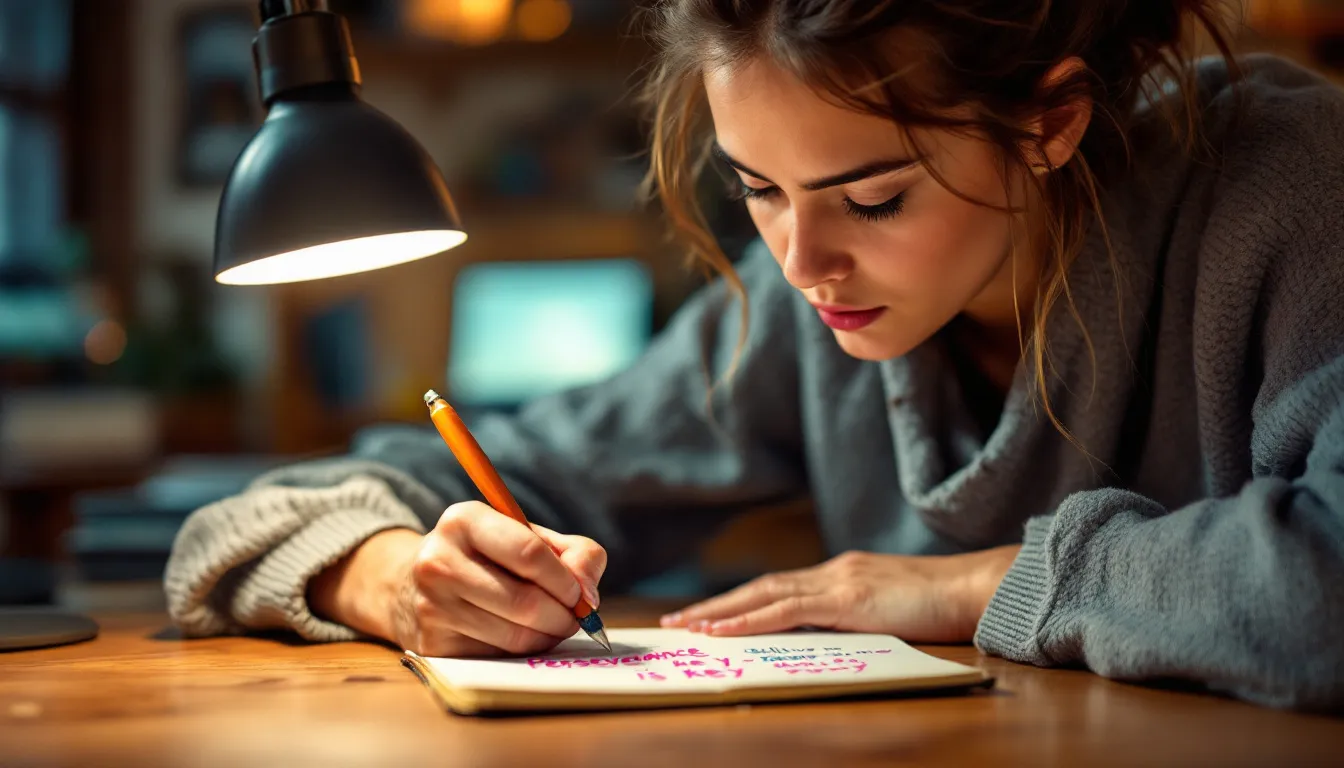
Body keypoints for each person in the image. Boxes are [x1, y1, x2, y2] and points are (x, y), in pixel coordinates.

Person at [166, 0, 1344, 711]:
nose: (801, 262)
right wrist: (388, 578)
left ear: (1051, 124)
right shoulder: (808, 320)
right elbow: (240, 527)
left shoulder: (1288, 189)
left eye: (873, 199)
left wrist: (962, 586)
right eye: (759, 191)